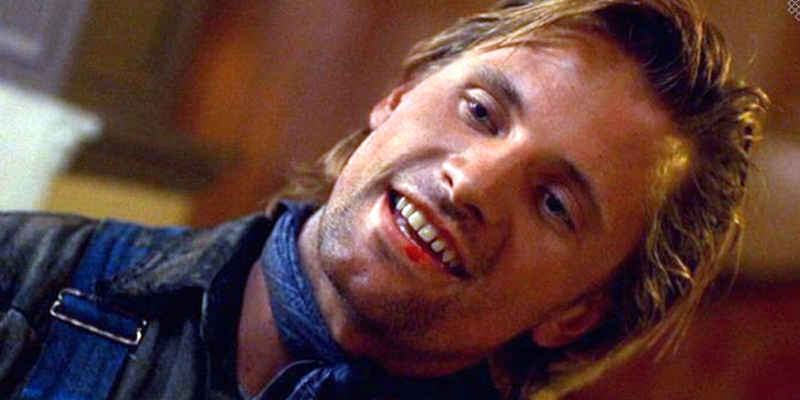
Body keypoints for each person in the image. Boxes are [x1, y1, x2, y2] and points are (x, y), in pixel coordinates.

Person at [0, 0, 766, 399]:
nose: (470, 182)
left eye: (555, 204)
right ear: (398, 96)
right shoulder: (24, 275)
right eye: (481, 112)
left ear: (577, 314)